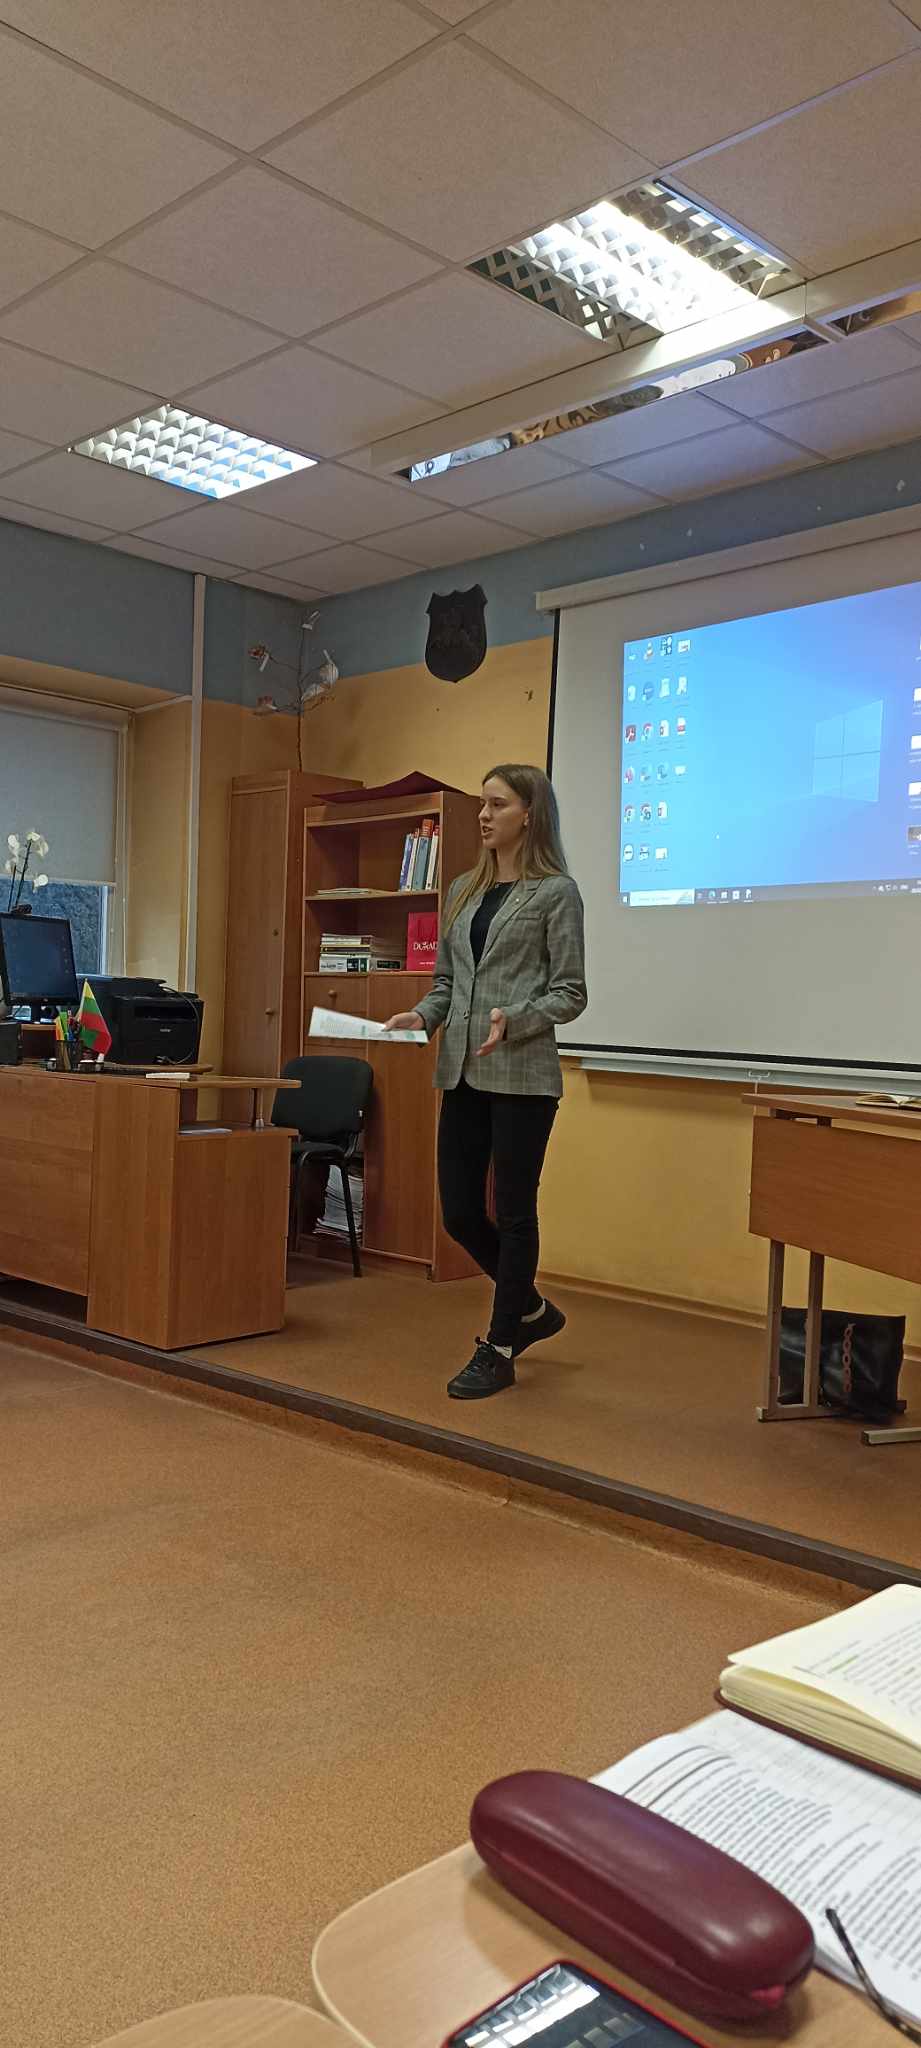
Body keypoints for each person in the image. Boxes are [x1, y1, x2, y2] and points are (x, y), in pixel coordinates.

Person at [385, 764, 586, 1400]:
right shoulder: (463, 890)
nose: (483, 815)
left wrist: (514, 1018)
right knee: (461, 1212)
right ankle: (531, 1309)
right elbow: (448, 982)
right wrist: (422, 1015)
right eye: (482, 804)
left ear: (530, 814)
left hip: (523, 1075)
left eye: (497, 804)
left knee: (516, 1211)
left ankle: (500, 1346)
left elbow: (570, 993)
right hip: (463, 1071)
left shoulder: (556, 893)